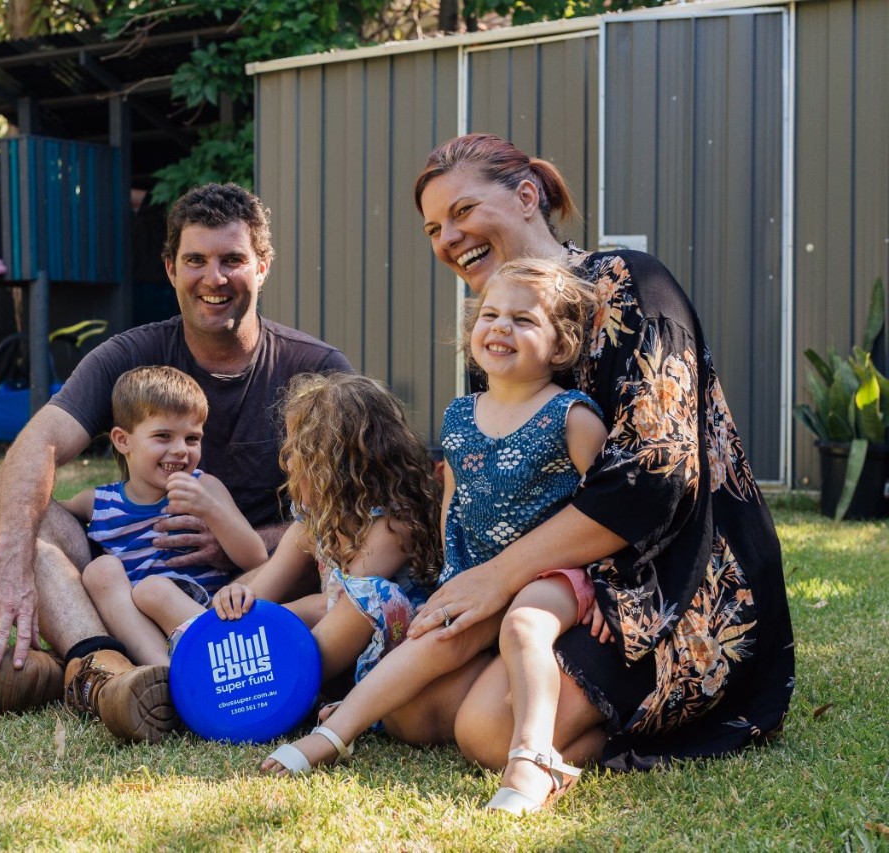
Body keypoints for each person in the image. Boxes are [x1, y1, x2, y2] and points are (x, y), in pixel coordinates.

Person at [383, 133, 793, 806]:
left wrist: (499, 578)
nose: (448, 238)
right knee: (411, 707)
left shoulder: (632, 283)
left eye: (461, 212)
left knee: (486, 729)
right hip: (538, 588)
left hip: (667, 581)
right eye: (433, 228)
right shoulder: (494, 333)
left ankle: (569, 735)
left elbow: (653, 477)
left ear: (525, 197)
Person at [0, 182, 353, 742]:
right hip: (131, 586)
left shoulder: (314, 369)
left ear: (263, 266)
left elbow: (353, 509)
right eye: (195, 260)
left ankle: (75, 673)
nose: (213, 279)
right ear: (170, 268)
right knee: (30, 516)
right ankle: (105, 674)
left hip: (259, 586)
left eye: (232, 260)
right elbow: (40, 443)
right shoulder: (130, 357)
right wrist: (8, 554)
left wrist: (244, 540)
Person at [257, 259, 612, 792]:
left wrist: (608, 587)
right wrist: (453, 576)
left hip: (550, 576)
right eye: (490, 314)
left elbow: (608, 506)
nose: (500, 327)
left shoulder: (573, 417)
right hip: (477, 575)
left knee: (523, 628)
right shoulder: (461, 416)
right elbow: (453, 500)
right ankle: (336, 735)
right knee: (437, 637)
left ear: (560, 346)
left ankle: (531, 755)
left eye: (523, 320)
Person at [147, 372, 439, 707]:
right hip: (328, 654)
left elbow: (352, 603)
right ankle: (213, 668)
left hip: (393, 661)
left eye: (296, 450)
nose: (286, 461)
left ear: (333, 465)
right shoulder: (310, 527)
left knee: (364, 600)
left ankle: (281, 686)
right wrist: (237, 596)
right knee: (274, 612)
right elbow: (261, 595)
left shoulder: (394, 526)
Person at [0, 366, 268, 667]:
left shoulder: (206, 487)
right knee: (101, 571)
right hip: (130, 627)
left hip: (197, 616)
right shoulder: (100, 502)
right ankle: (157, 674)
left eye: (192, 439)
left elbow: (255, 557)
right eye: (163, 436)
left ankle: (181, 669)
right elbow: (43, 513)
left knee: (153, 589)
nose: (180, 451)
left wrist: (211, 510)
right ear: (123, 440)